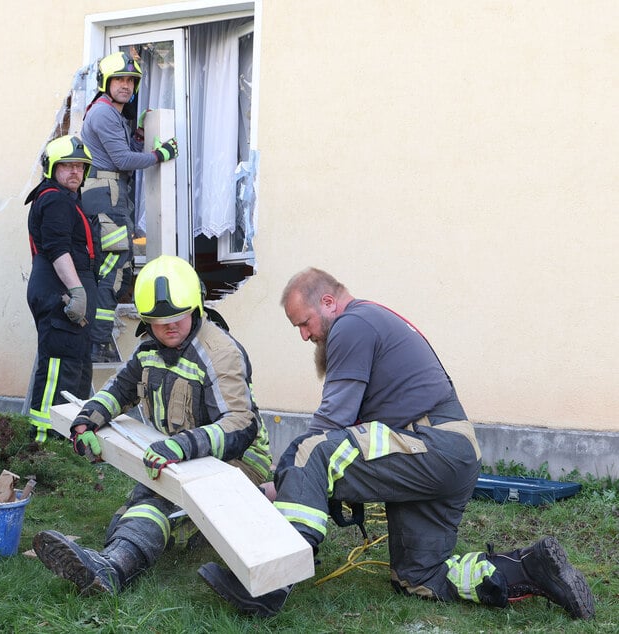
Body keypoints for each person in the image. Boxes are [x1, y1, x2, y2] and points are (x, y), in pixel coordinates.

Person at [199, 268, 595, 620]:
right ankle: (530, 568)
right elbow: (359, 430)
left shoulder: (352, 326)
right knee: (417, 579)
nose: (305, 336)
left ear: (328, 301)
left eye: (304, 323)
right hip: (452, 455)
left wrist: (282, 480)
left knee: (312, 451)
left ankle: (270, 582)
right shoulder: (373, 319)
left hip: (430, 444)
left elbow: (331, 423)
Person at [32, 255, 271, 594]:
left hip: (237, 459)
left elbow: (240, 425)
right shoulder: (149, 350)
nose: (169, 327)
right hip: (180, 454)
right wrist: (86, 422)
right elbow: (118, 390)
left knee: (160, 505)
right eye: (159, 322)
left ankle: (111, 569)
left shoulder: (220, 352)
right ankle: (113, 558)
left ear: (196, 309)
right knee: (130, 515)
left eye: (178, 318)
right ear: (147, 320)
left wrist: (182, 446)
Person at [81, 51, 180, 363]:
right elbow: (123, 160)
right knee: (114, 266)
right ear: (106, 83)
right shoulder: (103, 114)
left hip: (111, 193)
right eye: (119, 79)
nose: (125, 85)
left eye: (130, 80)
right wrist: (160, 154)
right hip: (106, 195)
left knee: (114, 266)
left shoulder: (111, 113)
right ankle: (98, 343)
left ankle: (98, 340)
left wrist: (137, 136)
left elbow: (120, 153)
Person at [25, 135, 99, 442]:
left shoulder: (66, 200)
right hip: (62, 291)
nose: (75, 172)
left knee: (73, 367)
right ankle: (45, 439)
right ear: (51, 169)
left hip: (64, 289)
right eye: (66, 166)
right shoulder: (55, 199)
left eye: (80, 167)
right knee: (58, 366)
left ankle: (70, 436)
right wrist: (77, 291)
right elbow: (57, 249)